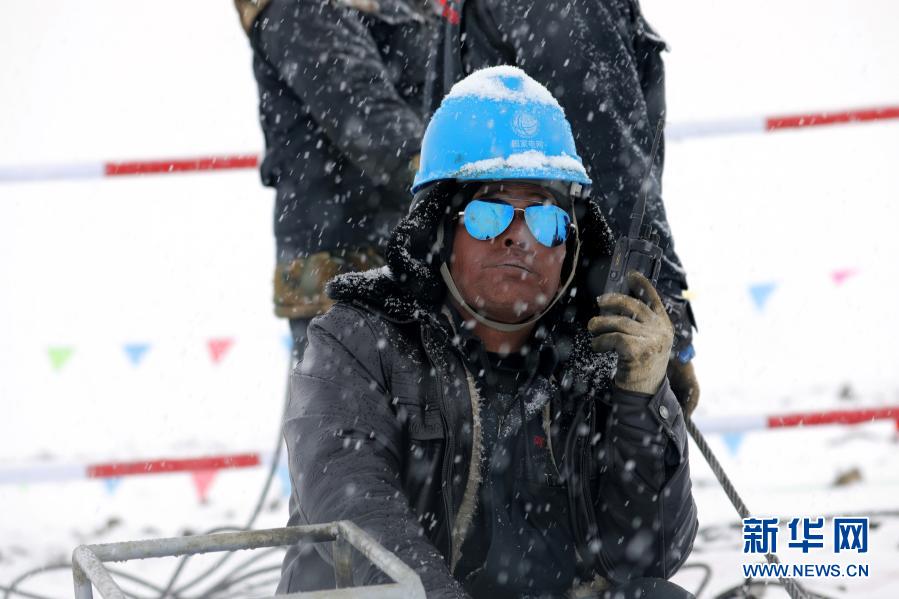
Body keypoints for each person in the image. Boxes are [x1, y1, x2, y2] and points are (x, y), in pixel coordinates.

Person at [277, 67, 697, 598]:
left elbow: (651, 553)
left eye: (545, 220)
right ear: (440, 228)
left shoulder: (598, 357)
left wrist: (642, 402)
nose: (519, 236)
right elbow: (359, 517)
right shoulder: (355, 342)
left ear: (570, 244)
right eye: (488, 215)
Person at [426, 0, 701, 413]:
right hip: (543, 313)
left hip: (539, 312)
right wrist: (661, 313)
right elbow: (613, 168)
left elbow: (613, 167)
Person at [234, 0, 434, 356]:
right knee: (346, 387)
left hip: (404, 249)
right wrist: (455, 179)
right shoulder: (302, 9)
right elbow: (365, 116)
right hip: (346, 257)